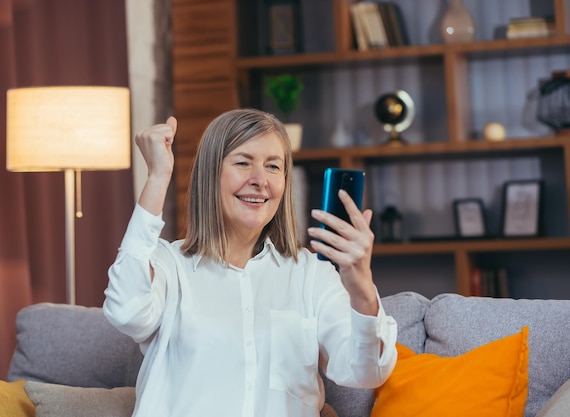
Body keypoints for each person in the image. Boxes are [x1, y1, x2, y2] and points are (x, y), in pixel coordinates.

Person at [103, 108, 397, 417]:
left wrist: (362, 286)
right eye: (243, 163)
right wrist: (158, 177)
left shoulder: (311, 275)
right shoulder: (170, 265)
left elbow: (365, 372)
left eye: (273, 167)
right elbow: (127, 312)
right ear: (210, 173)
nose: (260, 180)